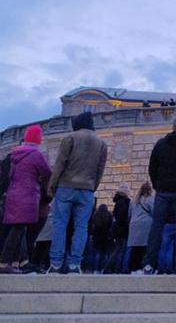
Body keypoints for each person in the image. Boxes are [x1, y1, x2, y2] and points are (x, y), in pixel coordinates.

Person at [47, 111, 107, 275]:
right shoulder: (101, 143)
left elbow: (60, 164)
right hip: (87, 189)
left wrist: (52, 185)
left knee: (60, 225)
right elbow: (100, 170)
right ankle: (75, 264)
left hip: (66, 186)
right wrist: (93, 186)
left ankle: (56, 263)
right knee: (81, 227)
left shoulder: (70, 138)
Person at [143, 116, 176, 275]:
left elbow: (152, 168)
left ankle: (149, 264)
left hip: (163, 191)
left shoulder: (160, 144)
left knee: (156, 228)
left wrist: (157, 186)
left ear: (173, 127)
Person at [0, 125, 51, 274]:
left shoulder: (15, 154)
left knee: (16, 229)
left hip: (12, 194)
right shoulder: (36, 154)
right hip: (27, 196)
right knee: (18, 230)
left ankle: (16, 262)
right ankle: (4, 263)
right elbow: (47, 173)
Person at [128, 182, 154, 273]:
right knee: (145, 248)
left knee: (135, 248)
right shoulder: (151, 200)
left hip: (134, 225)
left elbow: (129, 214)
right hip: (146, 225)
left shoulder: (133, 201)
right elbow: (154, 212)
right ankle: (144, 267)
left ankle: (133, 268)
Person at [106, 184, 130, 273]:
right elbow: (122, 217)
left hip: (118, 230)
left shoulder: (118, 202)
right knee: (119, 250)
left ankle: (111, 268)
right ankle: (111, 268)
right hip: (122, 230)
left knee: (118, 249)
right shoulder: (123, 202)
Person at [89, 204, 113, 273]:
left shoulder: (95, 216)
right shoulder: (109, 216)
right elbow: (111, 227)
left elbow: (92, 227)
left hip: (96, 237)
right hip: (106, 238)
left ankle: (95, 269)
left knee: (96, 254)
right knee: (105, 254)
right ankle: (103, 269)